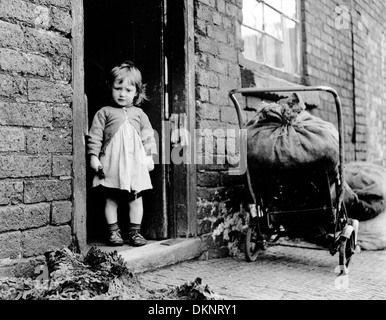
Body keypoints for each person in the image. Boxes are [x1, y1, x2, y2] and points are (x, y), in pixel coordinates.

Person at [87, 60, 157, 246]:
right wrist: (94, 157)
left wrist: (149, 157)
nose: (122, 94)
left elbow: (148, 136)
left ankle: (135, 232)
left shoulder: (140, 114)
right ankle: (113, 231)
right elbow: (95, 137)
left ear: (136, 92)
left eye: (128, 90)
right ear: (110, 88)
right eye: (118, 88)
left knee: (136, 200)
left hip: (134, 165)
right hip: (113, 164)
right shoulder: (104, 112)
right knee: (111, 199)